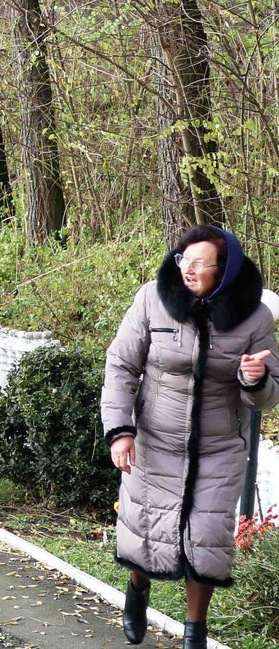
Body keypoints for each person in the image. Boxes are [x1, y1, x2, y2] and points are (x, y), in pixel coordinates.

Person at [104, 225, 276, 649]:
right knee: (146, 529)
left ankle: (194, 630)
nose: (189, 269)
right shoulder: (152, 299)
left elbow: (267, 396)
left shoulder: (255, 316)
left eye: (201, 263)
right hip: (155, 440)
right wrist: (120, 432)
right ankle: (137, 590)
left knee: (207, 539)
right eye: (184, 260)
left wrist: (253, 379)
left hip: (218, 448)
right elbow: (121, 366)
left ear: (225, 270)